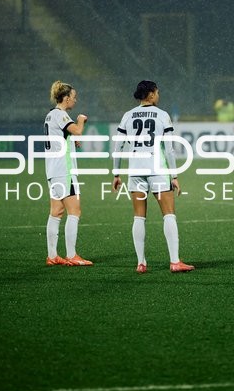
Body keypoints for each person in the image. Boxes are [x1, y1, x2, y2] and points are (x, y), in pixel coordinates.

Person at [112, 80, 194, 274]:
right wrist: (174, 175)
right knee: (169, 214)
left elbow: (118, 147)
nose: (158, 95)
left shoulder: (127, 115)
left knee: (139, 217)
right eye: (157, 92)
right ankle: (175, 261)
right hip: (157, 170)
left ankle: (141, 262)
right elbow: (169, 149)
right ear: (150, 94)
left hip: (135, 171)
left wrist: (116, 173)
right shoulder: (162, 115)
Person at [44, 80, 92, 267]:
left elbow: (61, 137)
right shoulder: (61, 115)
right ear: (65, 98)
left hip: (52, 170)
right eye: (73, 97)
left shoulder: (50, 115)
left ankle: (52, 255)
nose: (75, 100)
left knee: (56, 212)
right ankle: (72, 255)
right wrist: (81, 120)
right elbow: (78, 130)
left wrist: (70, 139)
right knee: (75, 211)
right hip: (64, 171)